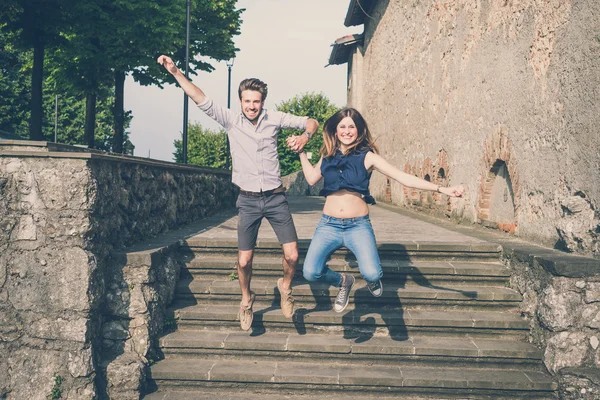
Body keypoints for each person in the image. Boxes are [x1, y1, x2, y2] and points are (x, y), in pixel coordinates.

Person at [157, 55, 319, 330]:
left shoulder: (275, 118)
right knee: (244, 260)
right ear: (241, 101)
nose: (252, 106)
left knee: (292, 255)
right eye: (247, 101)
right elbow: (200, 98)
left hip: (276, 198)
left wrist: (305, 137)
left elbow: (311, 122)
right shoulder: (231, 120)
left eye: (256, 101)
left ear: (262, 102)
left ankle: (285, 286)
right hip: (248, 200)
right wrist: (175, 72)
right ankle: (246, 299)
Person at [295, 107, 464, 313]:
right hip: (328, 225)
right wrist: (301, 152)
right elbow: (312, 178)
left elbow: (403, 178)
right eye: (342, 127)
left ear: (359, 130)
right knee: (310, 272)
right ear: (335, 130)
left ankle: (374, 281)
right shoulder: (328, 155)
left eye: (352, 127)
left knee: (373, 274)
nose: (347, 131)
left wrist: (442, 189)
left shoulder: (368, 157)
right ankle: (343, 281)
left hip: (357, 226)